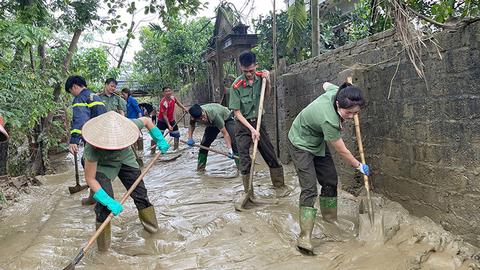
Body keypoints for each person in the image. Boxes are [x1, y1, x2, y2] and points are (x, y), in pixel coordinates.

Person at [288, 81, 370, 255]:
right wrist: (359, 166)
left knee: (330, 180)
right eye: (348, 113)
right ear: (338, 104)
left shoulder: (338, 93)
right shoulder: (329, 120)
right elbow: (342, 151)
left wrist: (349, 88)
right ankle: (305, 236)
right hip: (300, 142)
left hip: (317, 141)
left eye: (356, 113)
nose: (351, 116)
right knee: (309, 188)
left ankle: (330, 219)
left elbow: (326, 85)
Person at [81, 111, 170, 252]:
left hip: (125, 159)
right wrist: (107, 200)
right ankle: (103, 250)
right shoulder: (92, 148)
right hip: (102, 165)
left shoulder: (128, 125)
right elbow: (90, 178)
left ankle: (153, 233)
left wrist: (159, 138)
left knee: (141, 196)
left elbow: (147, 120)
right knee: (104, 207)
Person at [229, 51, 290, 210]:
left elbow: (266, 96)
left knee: (269, 152)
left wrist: (268, 81)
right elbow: (237, 112)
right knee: (244, 157)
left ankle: (280, 186)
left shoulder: (261, 78)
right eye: (245, 71)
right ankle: (249, 192)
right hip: (242, 125)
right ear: (240, 68)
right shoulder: (236, 86)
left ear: (255, 65)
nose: (249, 74)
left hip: (259, 121)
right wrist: (251, 129)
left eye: (251, 70)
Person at [65, 75, 107, 205]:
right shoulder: (95, 96)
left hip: (94, 137)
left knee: (88, 163)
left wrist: (74, 140)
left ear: (74, 87)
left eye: (71, 92)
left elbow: (80, 119)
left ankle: (98, 198)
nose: (72, 95)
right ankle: (94, 196)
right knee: (98, 165)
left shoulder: (80, 98)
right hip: (105, 136)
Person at [187, 103, 238, 172]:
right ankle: (200, 169)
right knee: (204, 145)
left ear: (203, 111)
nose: (203, 119)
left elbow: (225, 133)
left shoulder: (215, 115)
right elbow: (191, 125)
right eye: (200, 119)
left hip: (226, 118)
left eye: (203, 116)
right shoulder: (193, 116)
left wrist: (230, 150)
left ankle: (242, 170)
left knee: (234, 144)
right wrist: (190, 138)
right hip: (212, 123)